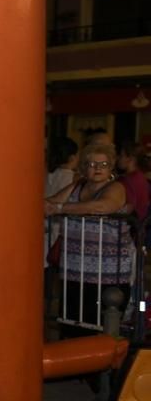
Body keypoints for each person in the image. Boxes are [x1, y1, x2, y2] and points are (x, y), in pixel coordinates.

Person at [45, 143, 133, 330]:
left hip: (107, 273)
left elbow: (105, 206)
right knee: (71, 323)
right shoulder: (77, 186)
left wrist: (61, 208)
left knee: (102, 326)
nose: (98, 169)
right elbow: (51, 202)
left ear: (111, 167)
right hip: (74, 270)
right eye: (92, 164)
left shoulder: (116, 187)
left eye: (103, 164)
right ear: (84, 167)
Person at [117, 141, 150, 222]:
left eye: (121, 155)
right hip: (141, 225)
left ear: (130, 158)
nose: (118, 158)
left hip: (130, 225)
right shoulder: (141, 176)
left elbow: (129, 207)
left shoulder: (126, 180)